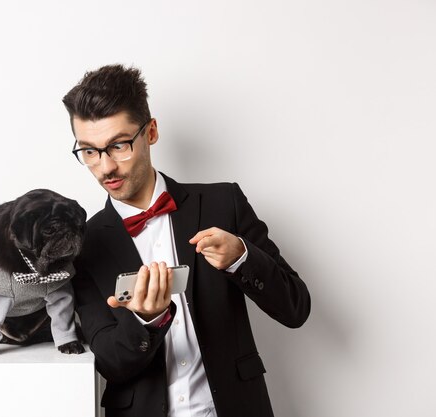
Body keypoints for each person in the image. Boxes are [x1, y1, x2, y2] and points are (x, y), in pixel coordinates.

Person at [62, 64, 310, 417]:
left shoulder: (224, 203)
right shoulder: (83, 245)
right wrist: (146, 321)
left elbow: (296, 307)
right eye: (88, 151)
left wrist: (242, 256)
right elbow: (110, 363)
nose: (105, 168)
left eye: (118, 146)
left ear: (151, 132)